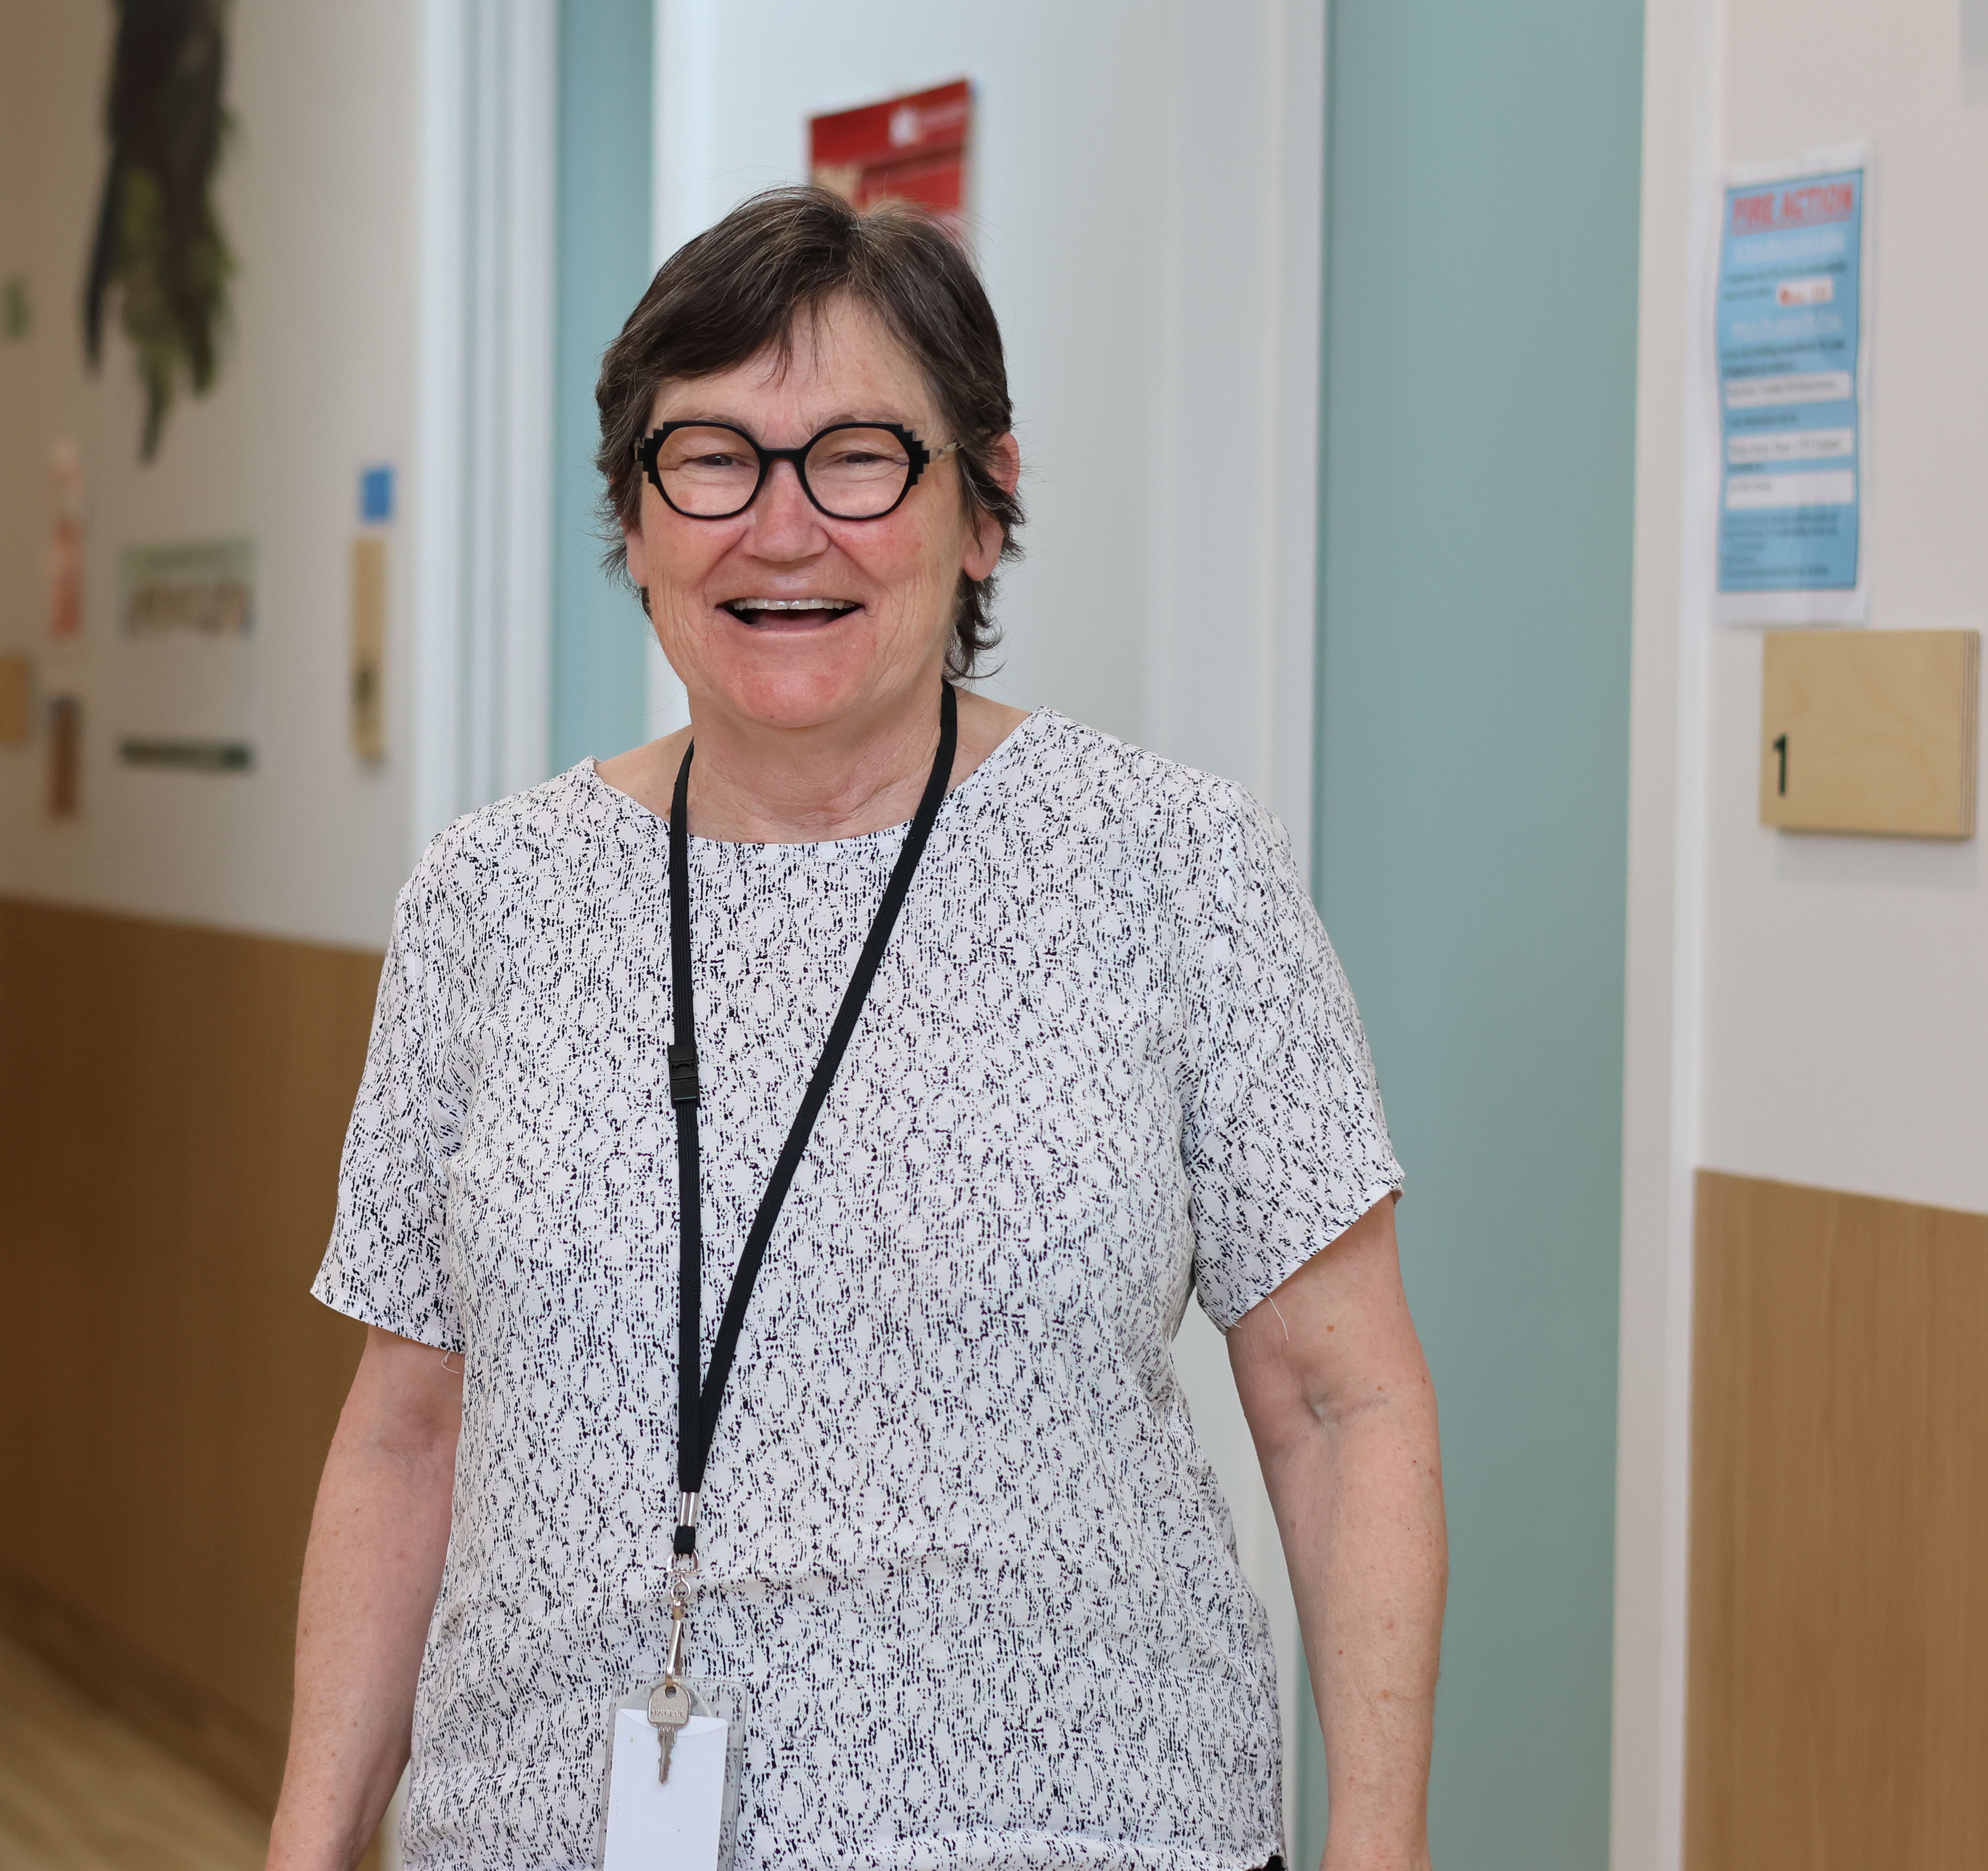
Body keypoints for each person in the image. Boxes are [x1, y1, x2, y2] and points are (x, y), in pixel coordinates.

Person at [266, 185, 1446, 1871]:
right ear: (637, 516)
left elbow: (1349, 1410)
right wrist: (309, 1841)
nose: (783, 525)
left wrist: (1381, 1841)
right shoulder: (487, 899)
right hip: (543, 1825)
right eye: (713, 458)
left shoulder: (1171, 866)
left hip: (1084, 1827)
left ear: (983, 506)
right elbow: (405, 1428)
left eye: (860, 456)